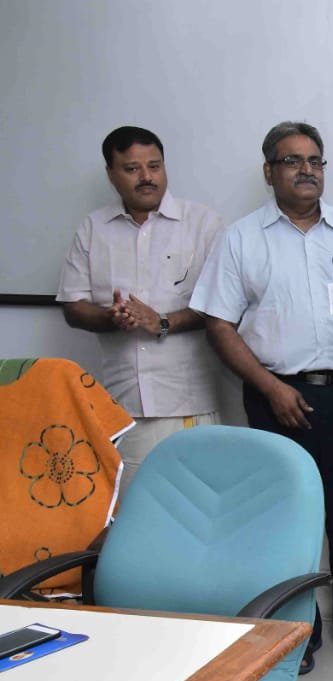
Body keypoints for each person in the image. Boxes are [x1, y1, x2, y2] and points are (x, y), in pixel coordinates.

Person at [190, 121, 333, 675]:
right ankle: (298, 634)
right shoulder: (241, 239)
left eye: (315, 160)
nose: (306, 170)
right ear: (268, 171)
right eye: (292, 160)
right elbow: (219, 323)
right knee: (285, 522)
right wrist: (271, 387)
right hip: (277, 397)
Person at [58, 126, 223, 492]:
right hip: (124, 405)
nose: (147, 177)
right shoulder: (93, 228)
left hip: (188, 401)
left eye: (155, 166)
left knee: (195, 508)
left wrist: (161, 321)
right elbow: (73, 306)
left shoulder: (203, 224)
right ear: (111, 174)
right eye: (132, 168)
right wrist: (110, 317)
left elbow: (219, 307)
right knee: (137, 510)